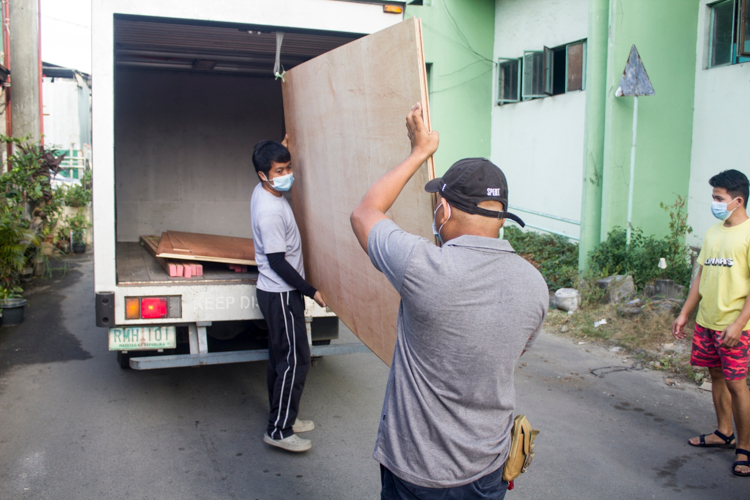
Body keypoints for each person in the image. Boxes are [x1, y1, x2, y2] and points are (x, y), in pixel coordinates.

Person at [350, 103, 548, 499]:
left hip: (417, 473)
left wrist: (419, 152)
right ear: (501, 217)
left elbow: (365, 212)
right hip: (488, 470)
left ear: (443, 209)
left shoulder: (422, 267)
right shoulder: (535, 284)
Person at [672, 169, 750, 477]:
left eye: (719, 198)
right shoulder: (713, 232)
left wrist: (738, 324)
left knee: (737, 385)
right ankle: (723, 432)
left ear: (738, 200)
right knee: (716, 376)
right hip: (707, 322)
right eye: (714, 197)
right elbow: (700, 277)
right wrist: (685, 313)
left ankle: (744, 447)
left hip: (735, 327)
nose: (714, 203)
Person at [251, 135, 326, 453]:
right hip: (281, 293)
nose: (285, 175)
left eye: (288, 168)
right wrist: (311, 291)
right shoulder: (270, 211)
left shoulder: (261, 189)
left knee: (281, 360)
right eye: (279, 170)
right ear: (263, 175)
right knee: (296, 361)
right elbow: (278, 262)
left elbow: (271, 160)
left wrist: (281, 144)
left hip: (275, 293)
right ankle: (279, 430)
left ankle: (284, 418)